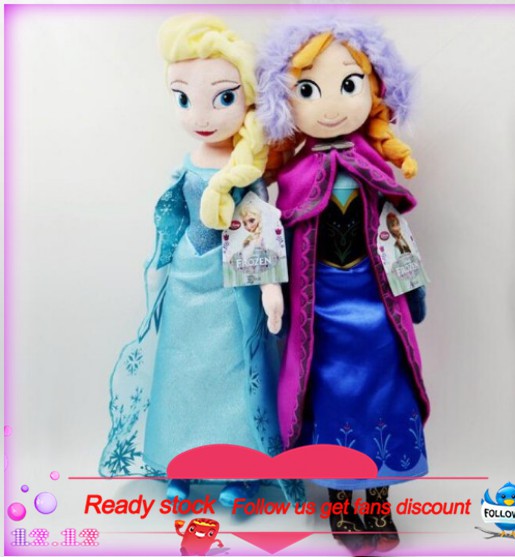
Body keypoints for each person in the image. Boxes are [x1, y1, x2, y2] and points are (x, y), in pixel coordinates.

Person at [99, 14, 303, 508]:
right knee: (182, 374)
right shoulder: (189, 164)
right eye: (184, 99)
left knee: (233, 375)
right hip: (187, 282)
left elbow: (260, 230)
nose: (201, 115)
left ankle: (240, 469)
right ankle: (181, 461)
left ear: (246, 99)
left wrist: (271, 289)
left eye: (223, 98)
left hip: (234, 286)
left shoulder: (247, 171)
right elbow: (171, 218)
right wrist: (159, 271)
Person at [257, 17, 430, 553]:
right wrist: (273, 289)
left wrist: (412, 288)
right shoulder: (290, 178)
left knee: (385, 394)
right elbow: (277, 239)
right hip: (321, 315)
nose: (330, 106)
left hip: (376, 309)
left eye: (348, 84)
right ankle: (340, 502)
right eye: (309, 90)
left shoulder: (375, 167)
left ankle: (377, 500)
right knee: (330, 398)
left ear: (374, 89)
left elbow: (395, 233)